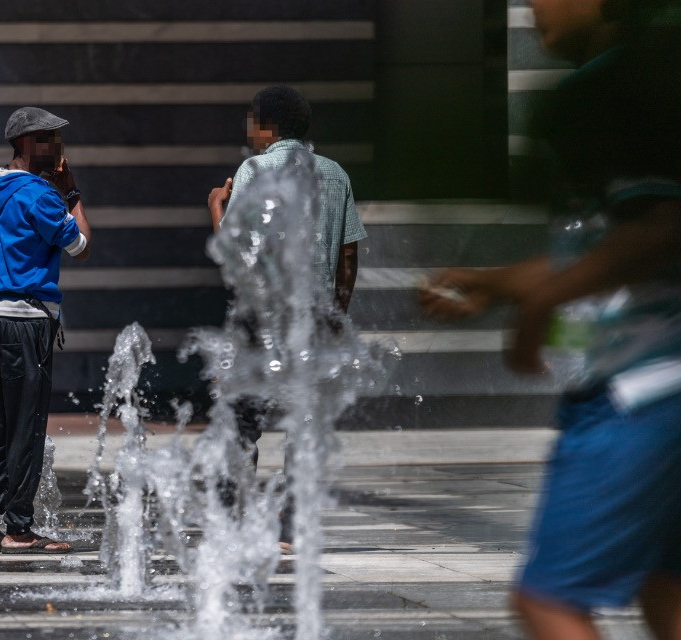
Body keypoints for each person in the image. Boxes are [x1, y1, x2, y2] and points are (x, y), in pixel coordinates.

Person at [420, 1, 681, 638]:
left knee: (548, 600)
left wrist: (541, 303)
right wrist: (502, 282)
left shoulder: (606, 90)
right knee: (665, 585)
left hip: (637, 393)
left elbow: (665, 227)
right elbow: (603, 247)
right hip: (661, 385)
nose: (534, 3)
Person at [207, 85, 367, 552]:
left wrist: (217, 209)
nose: (249, 131)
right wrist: (337, 312)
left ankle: (235, 522)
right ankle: (291, 527)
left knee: (241, 419)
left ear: (267, 126)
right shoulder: (335, 175)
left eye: (251, 122)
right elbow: (349, 253)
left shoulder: (254, 169)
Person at [0, 106, 91, 554]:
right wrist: (71, 192)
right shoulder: (40, 194)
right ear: (24, 144)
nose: (56, 148)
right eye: (48, 139)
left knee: (1, 423)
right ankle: (17, 527)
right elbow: (80, 246)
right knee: (28, 426)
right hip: (29, 319)